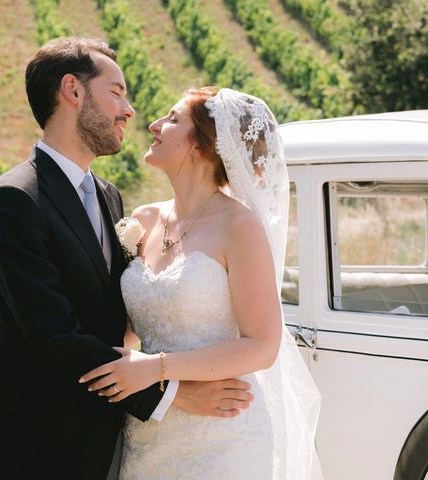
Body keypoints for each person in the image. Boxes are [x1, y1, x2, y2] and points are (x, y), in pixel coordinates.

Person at [0, 38, 252, 480]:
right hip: (43, 448)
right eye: (117, 92)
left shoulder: (109, 197)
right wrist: (173, 394)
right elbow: (54, 336)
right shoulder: (15, 199)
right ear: (73, 90)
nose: (130, 111)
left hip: (115, 441)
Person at [80, 87, 323, 479]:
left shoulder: (239, 227)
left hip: (222, 433)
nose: (155, 125)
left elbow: (261, 346)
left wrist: (157, 368)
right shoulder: (141, 221)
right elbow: (122, 331)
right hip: (149, 432)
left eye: (173, 120)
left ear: (203, 147)